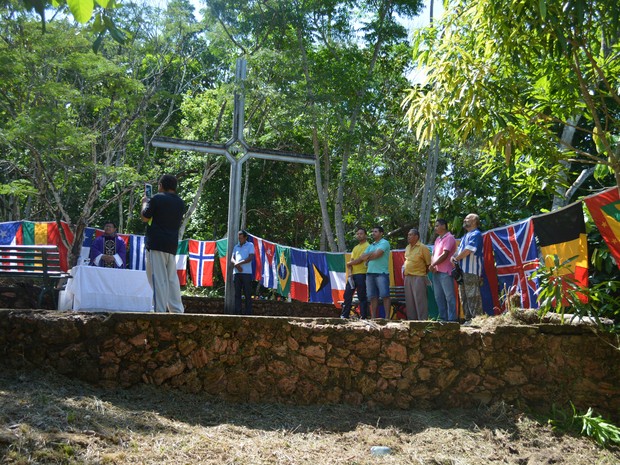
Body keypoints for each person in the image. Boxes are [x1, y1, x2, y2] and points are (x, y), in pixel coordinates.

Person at [141, 174, 185, 313]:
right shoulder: (180, 202)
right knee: (172, 279)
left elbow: (145, 217)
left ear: (161, 185)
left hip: (156, 243)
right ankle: (177, 310)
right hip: (171, 244)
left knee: (158, 278)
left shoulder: (157, 198)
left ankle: (159, 311)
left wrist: (144, 202)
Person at [451, 213, 484, 323]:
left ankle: (477, 320)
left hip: (471, 271)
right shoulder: (465, 236)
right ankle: (468, 319)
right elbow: (459, 251)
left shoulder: (476, 234)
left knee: (473, 296)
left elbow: (468, 250)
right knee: (463, 296)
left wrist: (456, 259)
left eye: (468, 218)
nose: (465, 220)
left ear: (474, 221)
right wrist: (453, 257)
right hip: (462, 271)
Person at [359, 226, 391, 319]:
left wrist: (368, 256)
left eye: (375, 231)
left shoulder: (385, 243)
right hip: (370, 274)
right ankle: (373, 318)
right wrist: (372, 254)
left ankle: (387, 318)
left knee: (385, 295)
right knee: (372, 297)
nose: (373, 233)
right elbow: (362, 257)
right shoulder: (371, 245)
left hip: (382, 273)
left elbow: (378, 254)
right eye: (372, 231)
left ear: (381, 233)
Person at [430, 219, 457, 321]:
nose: (435, 228)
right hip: (436, 271)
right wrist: (433, 265)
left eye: (437, 226)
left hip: (446, 271)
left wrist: (433, 264)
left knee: (449, 297)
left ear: (444, 226)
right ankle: (443, 318)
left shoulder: (449, 238)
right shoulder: (437, 239)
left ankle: (451, 320)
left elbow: (445, 255)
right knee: (438, 297)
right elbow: (433, 254)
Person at [340, 228, 370, 319]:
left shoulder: (368, 246)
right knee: (347, 295)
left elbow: (360, 260)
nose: (359, 235)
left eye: (361, 233)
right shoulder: (355, 247)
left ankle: (363, 316)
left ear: (365, 235)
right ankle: (344, 315)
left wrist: (349, 263)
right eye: (357, 234)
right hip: (353, 275)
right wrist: (350, 274)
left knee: (362, 296)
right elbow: (351, 261)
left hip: (362, 274)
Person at [402, 228, 431, 320]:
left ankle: (422, 321)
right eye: (408, 235)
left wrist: (421, 274)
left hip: (419, 276)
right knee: (409, 301)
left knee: (420, 301)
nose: (408, 237)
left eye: (410, 235)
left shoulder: (423, 247)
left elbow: (428, 264)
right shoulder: (407, 247)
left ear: (416, 236)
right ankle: (411, 320)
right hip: (408, 277)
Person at [231, 230, 255, 315]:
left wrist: (239, 263)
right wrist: (236, 265)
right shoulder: (236, 247)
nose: (240, 239)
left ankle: (248, 312)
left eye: (241, 238)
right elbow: (232, 258)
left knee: (247, 293)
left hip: (246, 273)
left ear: (245, 238)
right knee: (237, 293)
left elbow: (250, 257)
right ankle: (238, 311)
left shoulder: (250, 245)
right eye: (239, 238)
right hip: (237, 273)